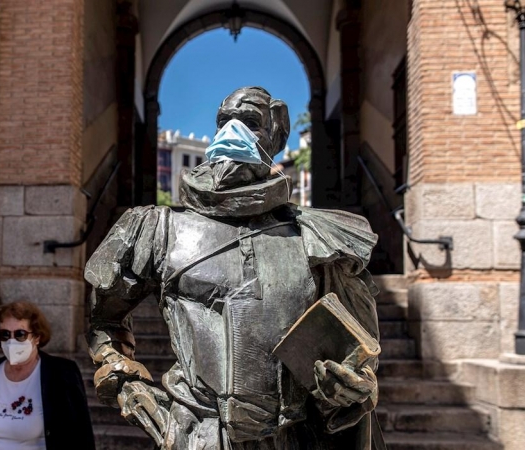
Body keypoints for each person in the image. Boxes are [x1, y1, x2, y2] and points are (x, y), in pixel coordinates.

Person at [84, 87, 382, 449]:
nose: (231, 132)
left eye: (250, 123)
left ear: (277, 133)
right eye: (224, 121)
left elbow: (359, 349)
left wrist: (354, 387)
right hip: (197, 434)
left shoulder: (319, 238)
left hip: (294, 437)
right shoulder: (157, 228)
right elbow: (104, 320)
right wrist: (124, 379)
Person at [0, 302, 95, 450]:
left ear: (36, 337)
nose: (11, 341)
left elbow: (81, 432)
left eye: (20, 334)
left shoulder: (61, 373)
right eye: (5, 334)